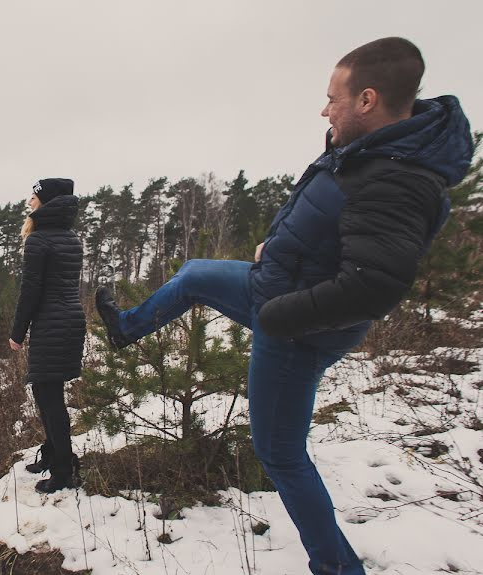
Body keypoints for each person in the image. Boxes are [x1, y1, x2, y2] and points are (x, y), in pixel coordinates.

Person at [95, 37, 472, 575]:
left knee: (281, 455)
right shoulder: (372, 150)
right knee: (196, 274)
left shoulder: (399, 177)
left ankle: (338, 568)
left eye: (332, 98)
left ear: (367, 100)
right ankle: (127, 328)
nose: (324, 109)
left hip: (297, 326)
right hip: (278, 283)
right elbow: (330, 220)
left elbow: (374, 285)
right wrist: (277, 246)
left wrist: (276, 318)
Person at [9, 178, 86, 494]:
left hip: (51, 323)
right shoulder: (72, 238)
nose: (29, 201)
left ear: (48, 202)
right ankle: (54, 454)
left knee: (49, 397)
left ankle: (64, 472)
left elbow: (31, 291)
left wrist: (17, 332)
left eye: (34, 196)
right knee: (47, 393)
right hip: (70, 320)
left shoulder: (38, 241)